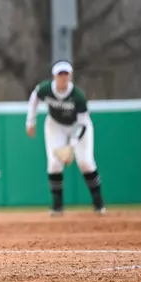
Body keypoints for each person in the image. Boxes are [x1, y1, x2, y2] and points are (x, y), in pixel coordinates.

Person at [25, 60, 106, 217]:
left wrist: (72, 145)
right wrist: (30, 121)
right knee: (54, 164)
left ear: (70, 76)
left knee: (85, 163)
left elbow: (82, 124)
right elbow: (34, 98)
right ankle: (57, 206)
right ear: (54, 76)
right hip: (55, 126)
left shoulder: (78, 96)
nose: (63, 78)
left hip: (79, 127)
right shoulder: (46, 89)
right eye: (60, 75)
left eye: (66, 75)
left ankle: (98, 203)